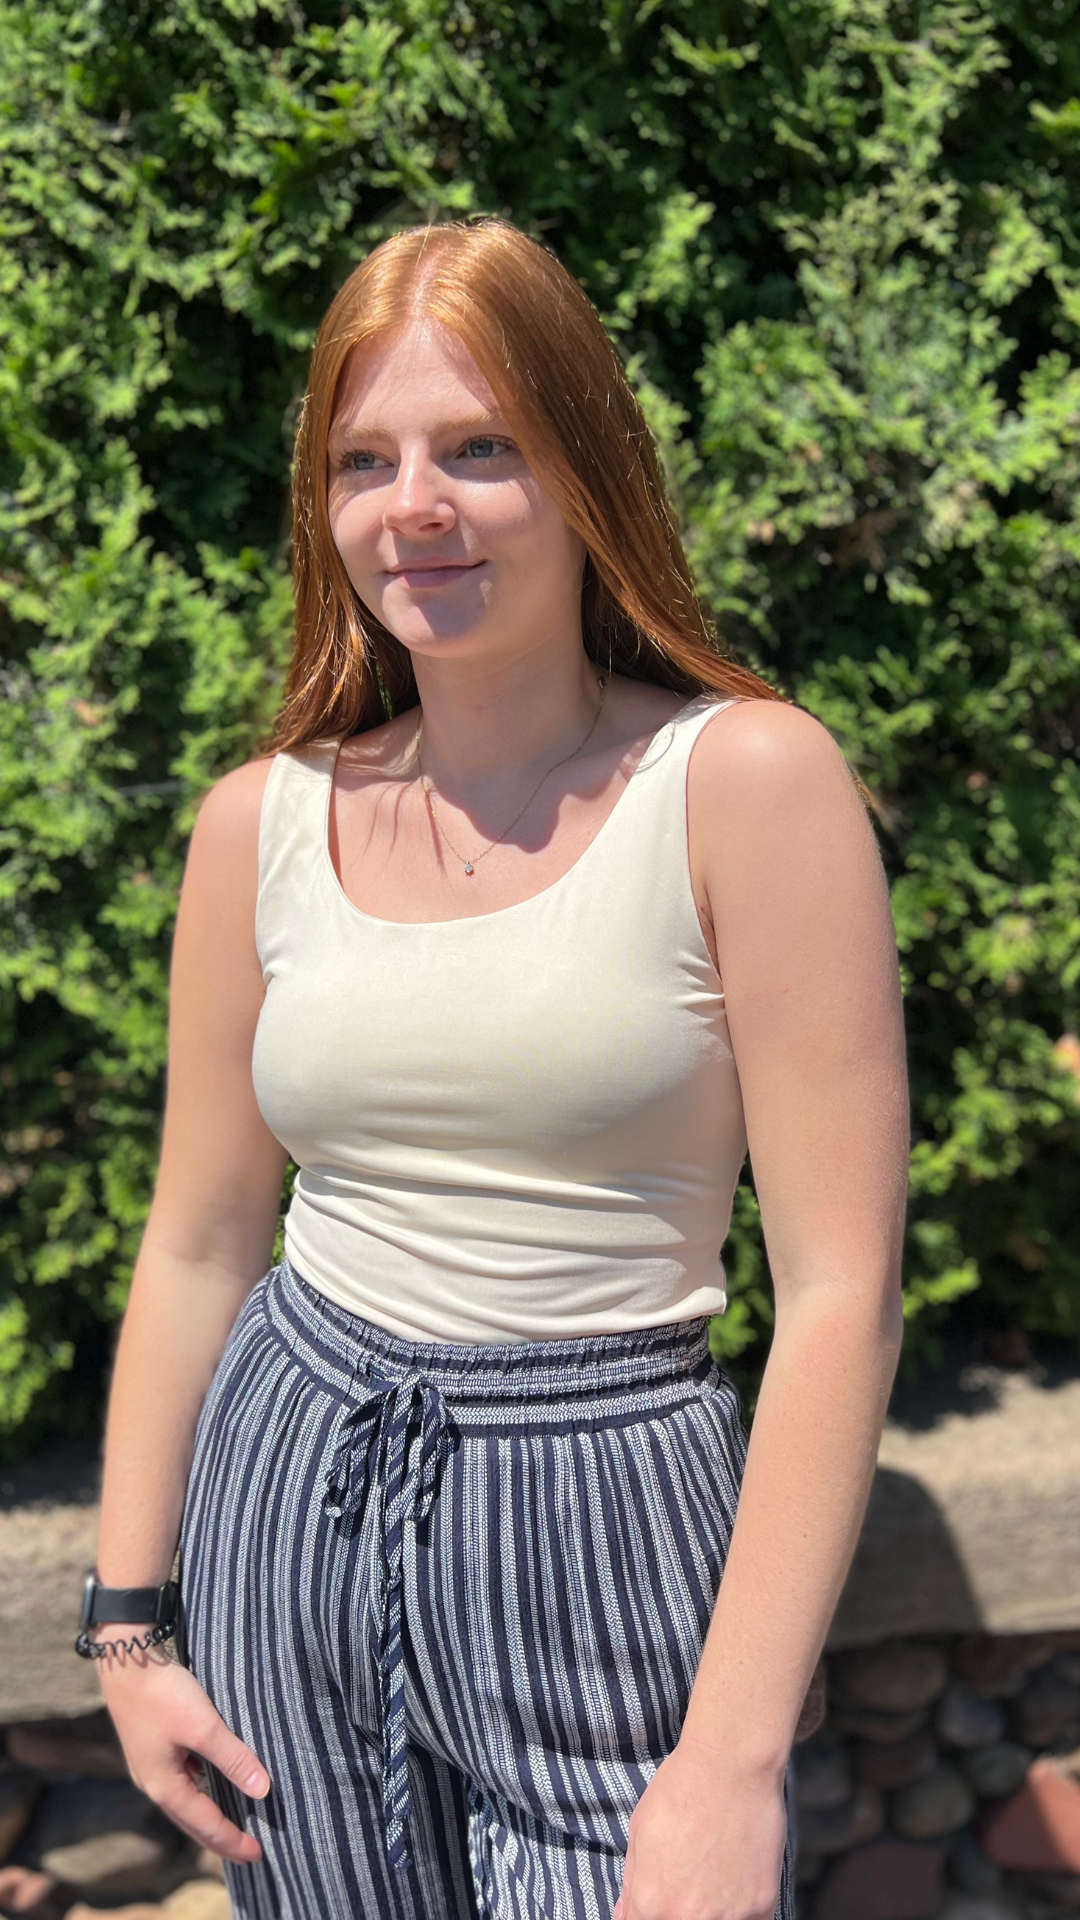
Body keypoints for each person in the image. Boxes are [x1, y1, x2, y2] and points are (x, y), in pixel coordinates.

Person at [81, 219, 909, 1920]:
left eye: (480, 449)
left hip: (604, 1514)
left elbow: (841, 1290)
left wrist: (732, 1761)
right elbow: (201, 1238)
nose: (416, 506)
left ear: (586, 470)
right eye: (364, 460)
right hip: (290, 1484)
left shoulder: (747, 785)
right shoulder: (260, 824)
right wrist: (127, 1623)